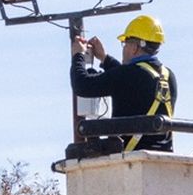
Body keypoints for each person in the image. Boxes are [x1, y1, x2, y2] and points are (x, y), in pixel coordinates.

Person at [71, 14, 177, 152]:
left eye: (125, 43)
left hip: (131, 160)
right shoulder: (168, 76)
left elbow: (82, 85)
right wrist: (104, 58)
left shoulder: (127, 75)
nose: (124, 48)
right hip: (162, 158)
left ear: (134, 47)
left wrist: (78, 56)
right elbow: (129, 80)